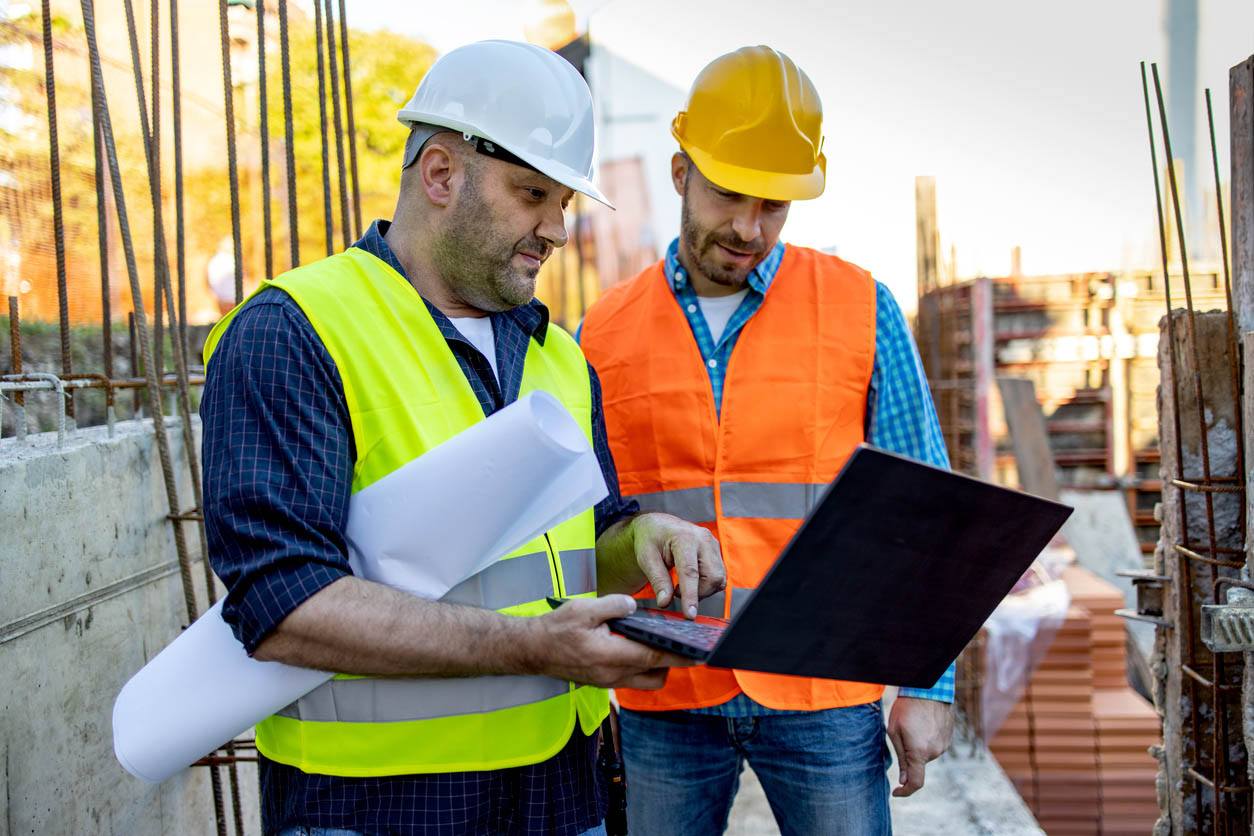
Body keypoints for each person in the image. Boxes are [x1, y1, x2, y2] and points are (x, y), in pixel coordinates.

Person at [199, 40, 724, 836]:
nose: (555, 228)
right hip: (378, 806)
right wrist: (534, 647)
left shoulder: (558, 355)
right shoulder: (295, 332)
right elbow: (281, 606)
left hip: (560, 792)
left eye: (564, 202)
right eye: (531, 194)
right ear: (440, 174)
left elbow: (588, 535)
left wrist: (645, 535)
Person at [579, 45, 956, 836]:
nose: (749, 228)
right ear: (681, 172)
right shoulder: (603, 331)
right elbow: (588, 519)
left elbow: (921, 508)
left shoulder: (859, 306)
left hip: (822, 691)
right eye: (730, 196)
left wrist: (929, 686)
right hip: (666, 687)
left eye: (774, 206)